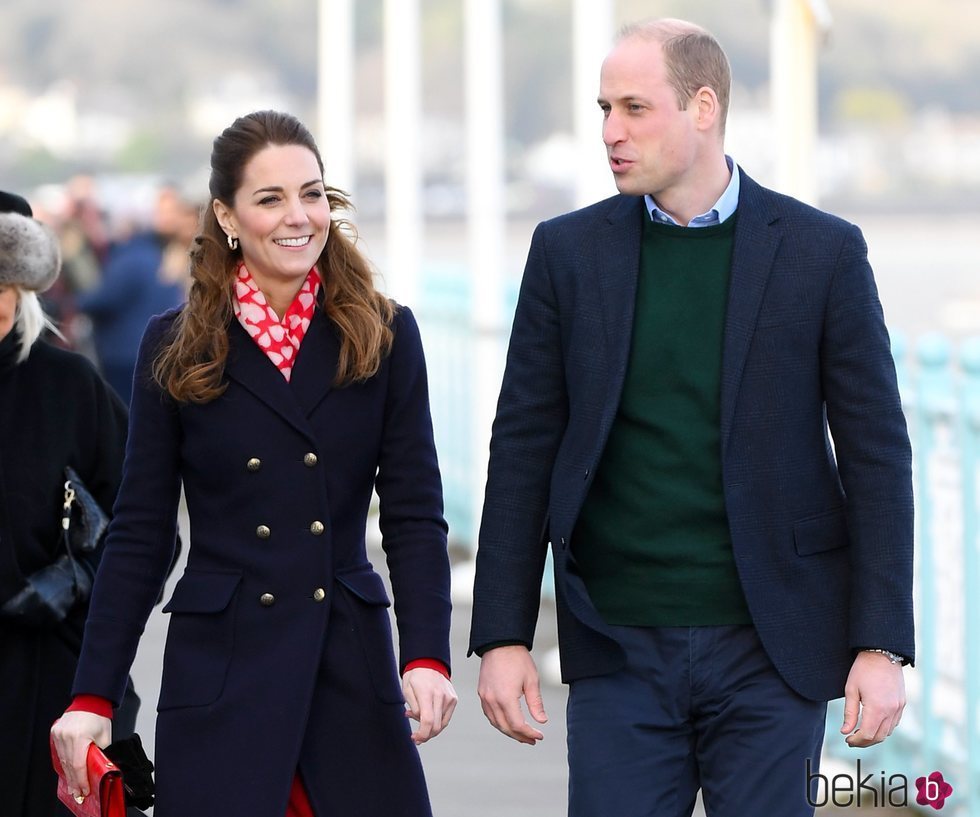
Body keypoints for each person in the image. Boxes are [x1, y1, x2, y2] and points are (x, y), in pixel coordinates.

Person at [469, 18, 913, 817]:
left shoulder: (822, 252)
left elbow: (877, 455)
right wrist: (501, 634)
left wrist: (880, 645)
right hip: (616, 645)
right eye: (604, 108)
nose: (611, 132)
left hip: (773, 644)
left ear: (703, 106)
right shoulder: (565, 254)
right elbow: (523, 448)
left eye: (635, 108)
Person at [51, 110, 457, 817]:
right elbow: (142, 532)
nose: (298, 216)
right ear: (227, 215)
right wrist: (93, 695)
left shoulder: (384, 334)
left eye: (312, 193)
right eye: (270, 198)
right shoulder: (174, 345)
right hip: (222, 675)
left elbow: (415, 512)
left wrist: (427, 652)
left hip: (348, 670)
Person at [0, 191, 139, 816]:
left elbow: (145, 526)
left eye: (5, 281)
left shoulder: (70, 386)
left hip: (53, 679)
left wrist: (78, 581)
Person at [75, 186, 187, 406]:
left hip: (125, 355)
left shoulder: (130, 259)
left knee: (126, 416)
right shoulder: (157, 256)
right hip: (153, 351)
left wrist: (72, 303)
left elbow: (103, 300)